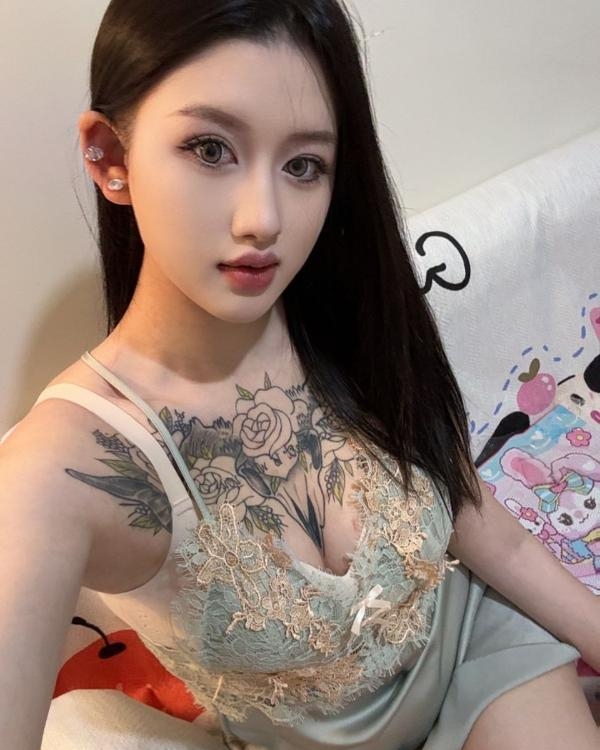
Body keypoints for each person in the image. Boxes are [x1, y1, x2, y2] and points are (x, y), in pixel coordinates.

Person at [1, 1, 599, 748]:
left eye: (303, 165)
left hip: (479, 655)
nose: (264, 218)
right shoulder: (67, 467)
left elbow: (489, 533)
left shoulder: (353, 315)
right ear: (109, 157)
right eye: (210, 149)